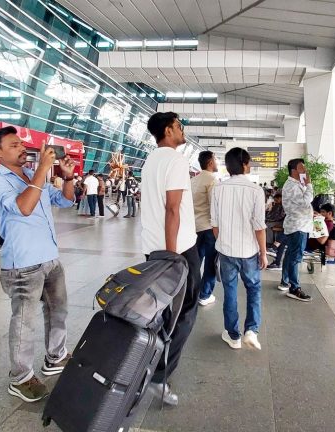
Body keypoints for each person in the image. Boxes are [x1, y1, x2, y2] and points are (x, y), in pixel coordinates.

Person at [0, 126, 76, 403]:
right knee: (25, 322)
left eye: (21, 144)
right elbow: (24, 207)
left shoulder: (32, 176)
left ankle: (56, 356)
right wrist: (42, 170)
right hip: (23, 264)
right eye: (14, 145)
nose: (22, 148)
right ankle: (20, 377)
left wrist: (68, 177)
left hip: (49, 258)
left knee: (58, 310)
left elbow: (66, 201)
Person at [141, 111, 200, 406]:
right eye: (178, 126)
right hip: (178, 249)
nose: (182, 130)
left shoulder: (150, 161)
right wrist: (173, 255)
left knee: (162, 312)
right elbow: (172, 208)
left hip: (152, 248)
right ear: (167, 130)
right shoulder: (175, 160)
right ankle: (159, 377)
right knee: (185, 312)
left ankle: (145, 365)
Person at [211, 148, 267, 350]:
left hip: (226, 251)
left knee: (230, 291)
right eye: (248, 162)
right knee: (254, 288)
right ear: (244, 164)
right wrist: (263, 253)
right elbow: (259, 227)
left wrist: (223, 242)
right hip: (249, 251)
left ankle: (233, 336)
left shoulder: (218, 189)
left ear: (228, 166)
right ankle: (251, 330)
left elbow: (215, 225)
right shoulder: (256, 190)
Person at [278, 158, 313, 302]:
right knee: (295, 258)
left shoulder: (296, 184)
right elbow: (305, 202)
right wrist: (309, 185)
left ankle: (285, 281)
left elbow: (301, 204)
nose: (305, 170)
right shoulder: (292, 186)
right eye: (302, 168)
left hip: (298, 225)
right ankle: (294, 288)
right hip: (298, 226)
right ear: (294, 170)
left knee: (291, 255)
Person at [190, 151, 219, 307]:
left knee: (195, 262)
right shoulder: (212, 180)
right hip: (209, 228)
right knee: (211, 263)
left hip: (195, 227)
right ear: (210, 162)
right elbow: (215, 207)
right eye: (216, 159)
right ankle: (205, 294)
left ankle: (192, 293)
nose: (217, 162)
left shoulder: (193, 180)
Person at [265, 192, 286, 271]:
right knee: (267, 224)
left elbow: (280, 216)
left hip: (283, 224)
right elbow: (272, 214)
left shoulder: (284, 205)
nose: (276, 201)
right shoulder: (276, 205)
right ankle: (273, 247)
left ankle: (271, 245)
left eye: (277, 199)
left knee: (268, 225)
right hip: (285, 224)